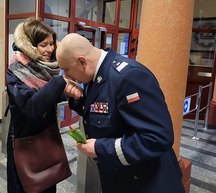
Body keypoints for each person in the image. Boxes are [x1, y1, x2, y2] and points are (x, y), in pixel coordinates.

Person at [56, 33, 185, 193]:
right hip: (120, 178)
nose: (66, 76)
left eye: (66, 70)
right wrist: (77, 99)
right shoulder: (94, 76)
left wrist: (100, 148)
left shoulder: (128, 76)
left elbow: (157, 138)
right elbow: (106, 114)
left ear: (82, 62)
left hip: (146, 182)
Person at [6, 19, 82, 193]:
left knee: (47, 183)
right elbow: (30, 109)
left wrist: (72, 93)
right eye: (43, 45)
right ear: (30, 46)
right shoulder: (17, 70)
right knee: (27, 185)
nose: (50, 49)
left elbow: (51, 95)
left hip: (46, 136)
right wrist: (58, 83)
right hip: (25, 140)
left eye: (51, 44)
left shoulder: (46, 68)